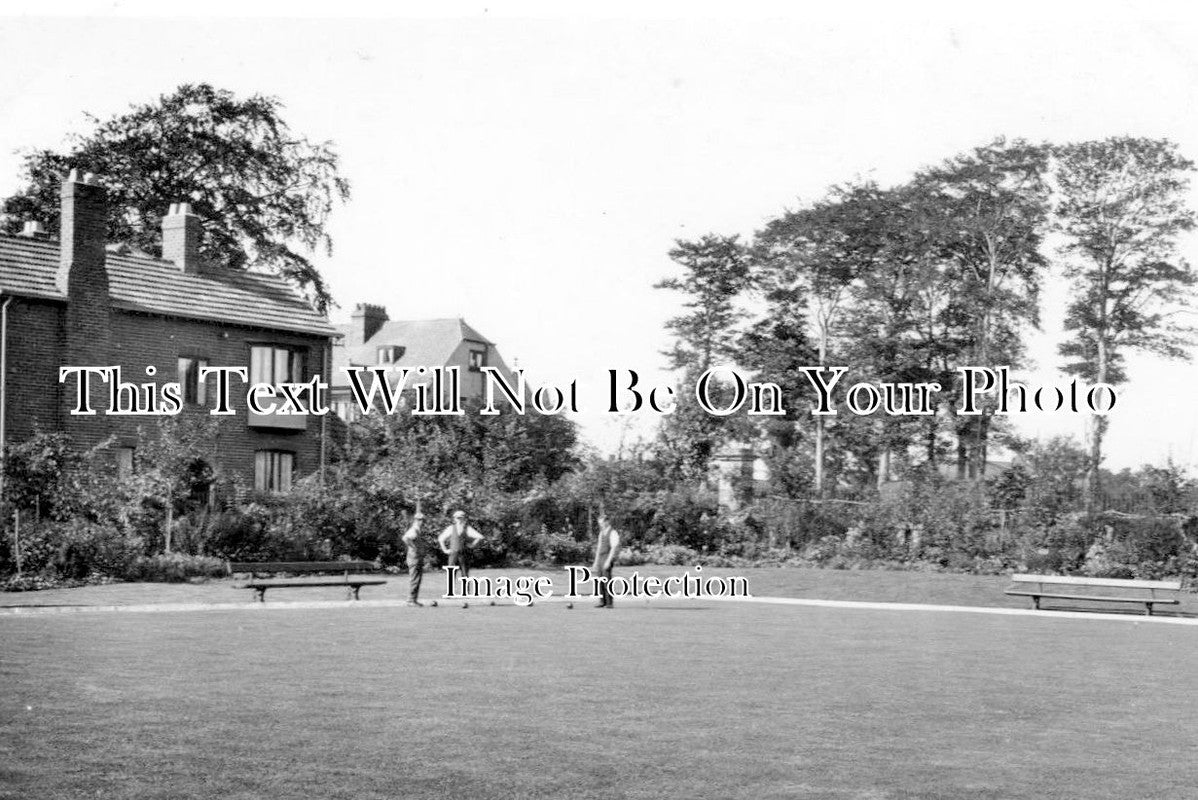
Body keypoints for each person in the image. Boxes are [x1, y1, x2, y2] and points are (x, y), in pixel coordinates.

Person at [438, 509, 484, 580]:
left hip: (464, 553)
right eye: (457, 518)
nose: (459, 519)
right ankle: (451, 590)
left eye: (461, 517)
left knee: (465, 573)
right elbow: (441, 539)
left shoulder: (467, 528)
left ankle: (465, 590)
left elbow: (480, 537)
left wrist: (472, 545)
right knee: (451, 574)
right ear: (454, 519)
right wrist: (445, 550)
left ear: (464, 518)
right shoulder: (450, 528)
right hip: (453, 553)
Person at [591, 513, 621, 608]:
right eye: (600, 523)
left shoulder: (613, 532)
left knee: (607, 580)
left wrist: (608, 561)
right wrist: (596, 561)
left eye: (602, 523)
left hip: (607, 556)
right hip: (600, 557)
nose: (601, 525)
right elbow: (599, 547)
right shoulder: (601, 533)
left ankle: (609, 603)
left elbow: (613, 548)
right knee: (600, 579)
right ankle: (602, 601)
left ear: (607, 522)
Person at [401, 510, 428, 606]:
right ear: (415, 520)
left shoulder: (418, 530)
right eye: (420, 520)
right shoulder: (414, 530)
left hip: (417, 558)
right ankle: (411, 600)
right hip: (414, 558)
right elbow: (405, 538)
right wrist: (414, 547)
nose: (422, 522)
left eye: (423, 520)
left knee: (417, 579)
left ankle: (413, 599)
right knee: (415, 579)